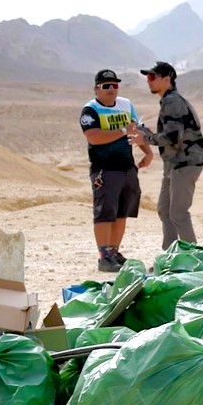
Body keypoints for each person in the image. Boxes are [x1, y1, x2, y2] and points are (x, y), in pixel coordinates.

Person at [79, 69, 144, 273]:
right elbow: (94, 137)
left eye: (115, 85)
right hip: (105, 169)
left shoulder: (126, 104)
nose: (111, 90)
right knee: (105, 213)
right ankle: (103, 256)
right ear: (97, 88)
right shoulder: (90, 110)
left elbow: (137, 129)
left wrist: (147, 151)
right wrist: (123, 130)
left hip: (127, 166)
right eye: (106, 86)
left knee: (121, 213)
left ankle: (114, 252)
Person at [139, 61, 203, 249]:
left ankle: (192, 258)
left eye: (152, 77)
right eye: (147, 77)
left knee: (178, 212)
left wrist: (146, 139)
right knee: (164, 210)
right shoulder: (169, 100)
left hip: (185, 162)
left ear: (167, 79)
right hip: (174, 163)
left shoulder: (172, 101)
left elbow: (171, 137)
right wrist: (147, 136)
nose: (148, 81)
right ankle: (170, 256)